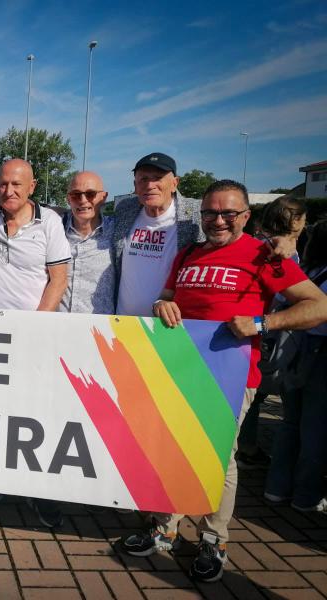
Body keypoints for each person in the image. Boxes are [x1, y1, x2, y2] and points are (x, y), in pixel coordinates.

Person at [122, 180, 327, 583]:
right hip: (181, 369)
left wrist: (262, 323)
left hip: (231, 374)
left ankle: (214, 538)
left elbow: (318, 306)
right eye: (210, 213)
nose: (218, 221)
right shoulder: (189, 253)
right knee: (172, 446)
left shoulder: (263, 256)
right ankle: (165, 526)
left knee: (218, 456)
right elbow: (166, 296)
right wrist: (163, 304)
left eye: (228, 214)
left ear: (246, 217)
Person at [0, 158, 71, 527]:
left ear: (32, 187)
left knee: (37, 418)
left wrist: (37, 327)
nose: (8, 191)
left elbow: (58, 280)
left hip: (34, 340)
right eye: (1, 184)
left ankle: (39, 491)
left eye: (17, 185)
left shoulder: (49, 223)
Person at [236, 196, 309, 469]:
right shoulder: (278, 251)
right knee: (266, 393)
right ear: (296, 220)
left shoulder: (255, 241)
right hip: (267, 330)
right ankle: (253, 450)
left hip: (256, 329)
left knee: (254, 395)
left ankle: (246, 445)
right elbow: (288, 296)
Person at [264, 219, 327, 513]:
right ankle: (305, 496)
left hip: (294, 350)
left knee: (292, 422)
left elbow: (278, 297)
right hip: (318, 353)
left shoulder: (309, 269)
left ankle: (276, 487)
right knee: (315, 428)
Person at [113, 153, 204, 317]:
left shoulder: (195, 215)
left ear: (175, 183)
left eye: (158, 178)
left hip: (168, 326)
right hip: (123, 323)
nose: (150, 185)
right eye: (143, 179)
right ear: (135, 185)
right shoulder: (124, 209)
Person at [57, 171, 116, 314]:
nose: (83, 200)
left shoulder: (117, 231)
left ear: (103, 197)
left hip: (100, 329)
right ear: (68, 199)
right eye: (75, 195)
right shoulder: (55, 229)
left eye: (90, 194)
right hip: (57, 326)